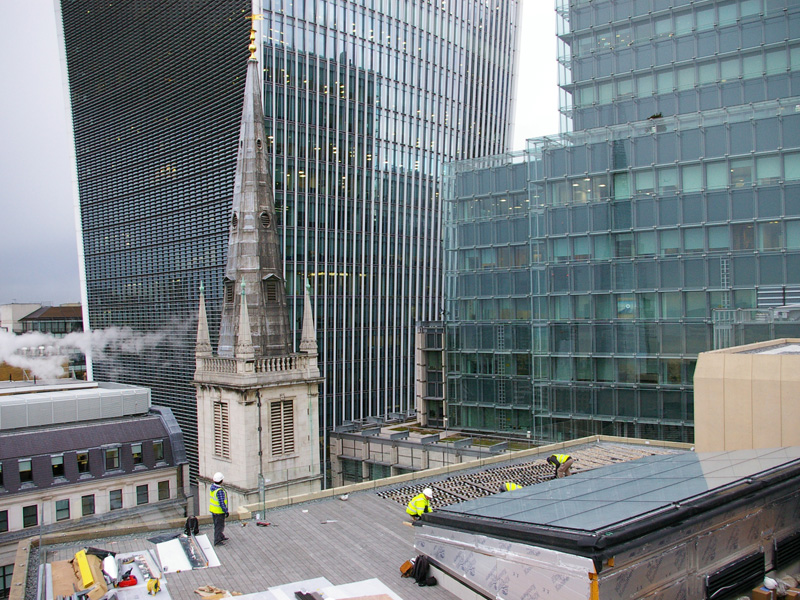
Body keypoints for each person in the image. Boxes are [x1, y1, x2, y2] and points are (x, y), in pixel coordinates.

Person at [209, 472, 229, 546]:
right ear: (221, 481)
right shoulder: (219, 491)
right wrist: (226, 511)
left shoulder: (213, 488)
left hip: (214, 511)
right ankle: (217, 540)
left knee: (217, 525)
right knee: (219, 526)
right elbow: (221, 503)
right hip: (219, 512)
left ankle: (220, 536)